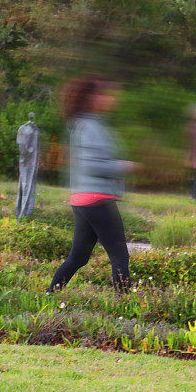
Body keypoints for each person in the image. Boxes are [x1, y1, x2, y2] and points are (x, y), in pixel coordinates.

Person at [48, 76, 137, 294]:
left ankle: (52, 293)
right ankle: (123, 303)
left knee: (79, 256)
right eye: (104, 94)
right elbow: (92, 165)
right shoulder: (90, 126)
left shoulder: (83, 124)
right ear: (91, 99)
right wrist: (122, 166)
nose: (110, 98)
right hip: (97, 199)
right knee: (119, 253)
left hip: (83, 198)